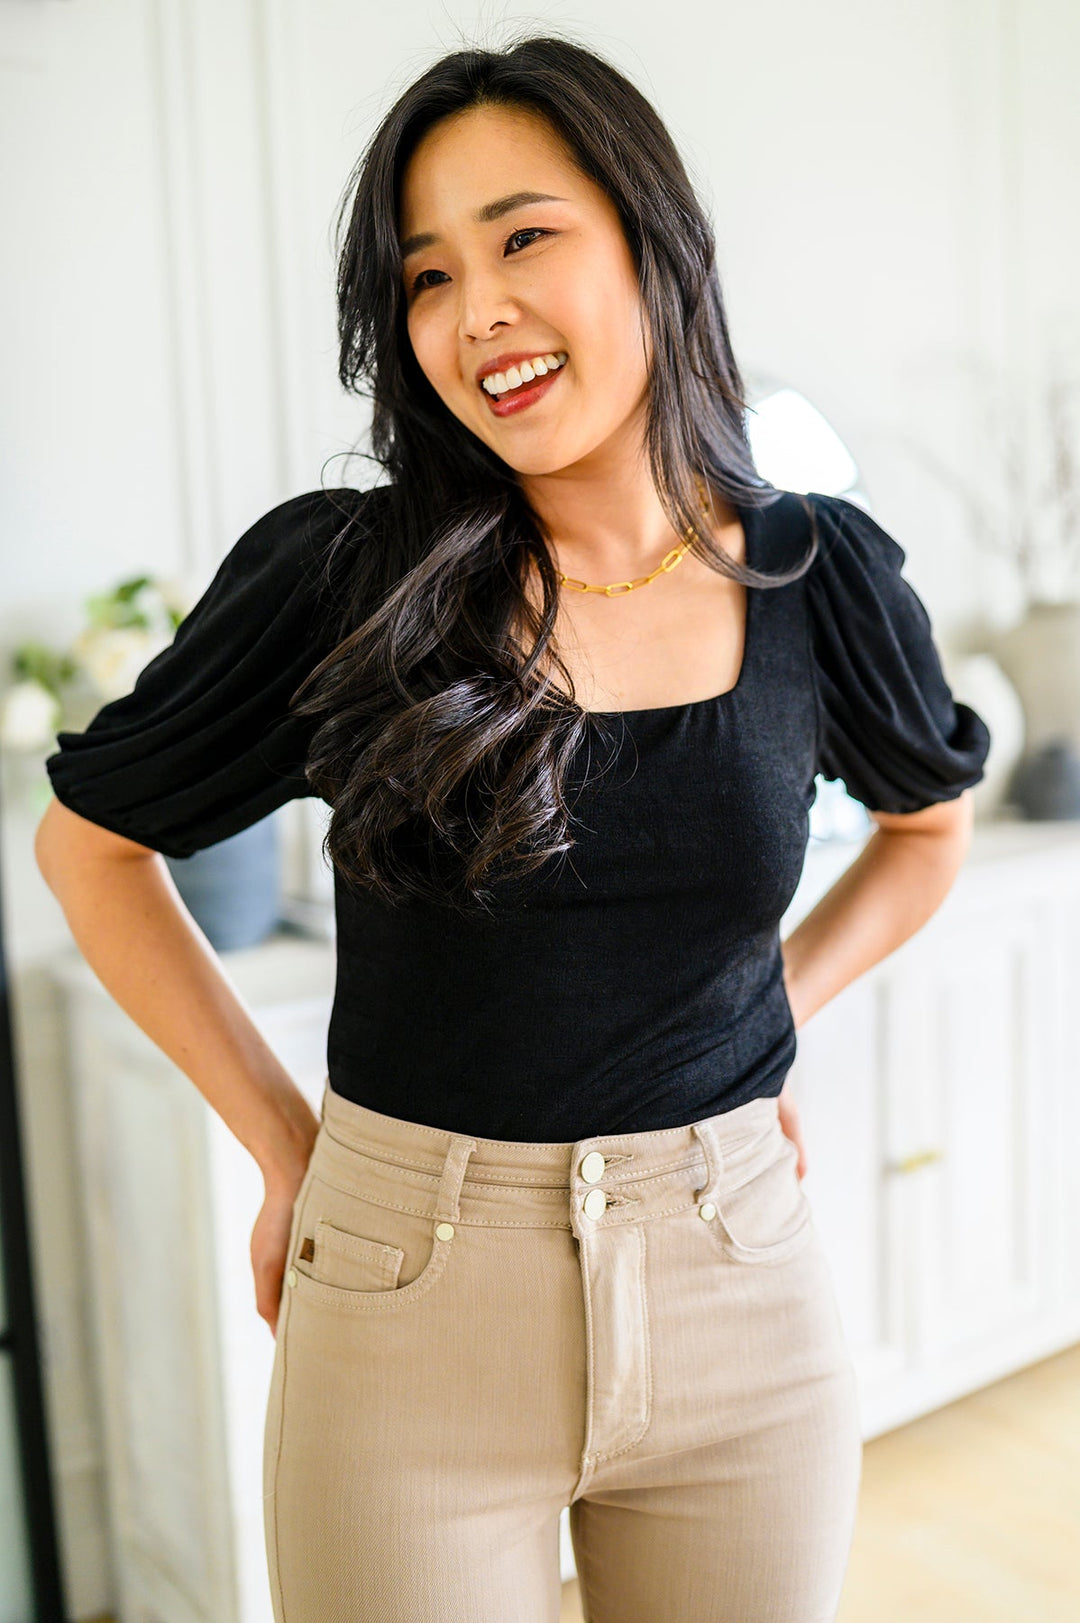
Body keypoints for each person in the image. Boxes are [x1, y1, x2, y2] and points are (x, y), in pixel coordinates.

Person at [36, 32, 991, 1623]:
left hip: (738, 1282)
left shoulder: (812, 573)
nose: (475, 310)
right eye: (427, 276)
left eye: (522, 237)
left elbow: (927, 832)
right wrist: (287, 1147)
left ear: (654, 242)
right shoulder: (349, 581)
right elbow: (90, 849)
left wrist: (766, 1023)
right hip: (406, 1299)